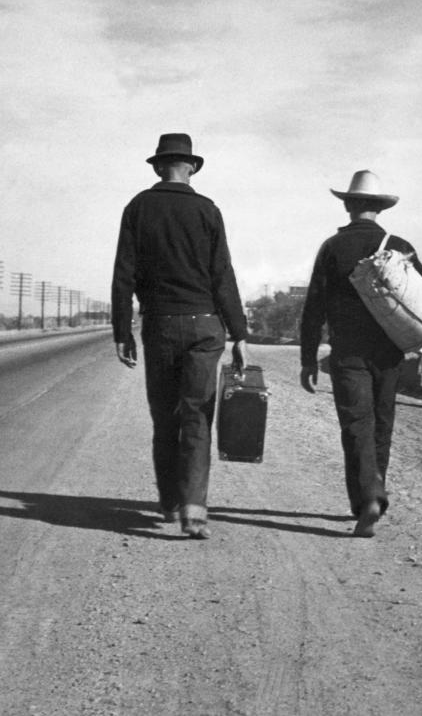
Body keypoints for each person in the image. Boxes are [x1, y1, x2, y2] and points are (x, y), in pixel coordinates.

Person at [111, 133, 248, 540]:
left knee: (163, 415)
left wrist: (123, 330)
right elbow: (223, 274)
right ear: (191, 167)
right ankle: (194, 509)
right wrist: (239, 332)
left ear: (158, 167)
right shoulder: (208, 210)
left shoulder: (138, 207)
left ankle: (169, 500)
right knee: (197, 416)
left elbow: (124, 274)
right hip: (206, 325)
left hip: (161, 324)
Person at [298, 170, 422, 538]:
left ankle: (369, 498)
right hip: (390, 352)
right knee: (381, 425)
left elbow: (313, 307)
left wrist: (308, 359)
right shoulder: (400, 244)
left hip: (348, 353)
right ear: (379, 208)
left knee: (356, 425)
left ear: (347, 205)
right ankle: (369, 498)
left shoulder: (332, 247)